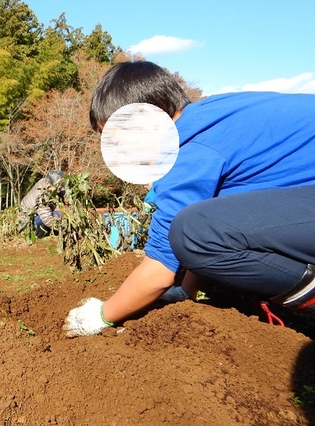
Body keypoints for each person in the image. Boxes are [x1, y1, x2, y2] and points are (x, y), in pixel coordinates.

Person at [64, 60, 315, 337]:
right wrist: (187, 290)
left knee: (189, 229)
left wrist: (101, 315)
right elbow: (213, 218)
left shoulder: (189, 151)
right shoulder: (211, 117)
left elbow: (162, 268)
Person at [20, 170, 65, 238]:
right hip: (27, 221)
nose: (59, 191)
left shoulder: (44, 181)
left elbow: (61, 191)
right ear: (48, 184)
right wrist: (61, 227)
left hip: (35, 214)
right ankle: (39, 231)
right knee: (58, 215)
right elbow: (46, 218)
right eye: (58, 188)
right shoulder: (41, 197)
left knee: (57, 213)